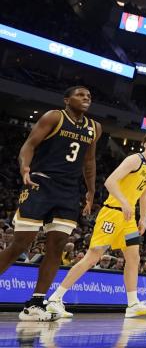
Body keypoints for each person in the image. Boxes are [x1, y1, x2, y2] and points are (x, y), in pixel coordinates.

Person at [0, 86, 101, 321]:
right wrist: (25, 166)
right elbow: (29, 145)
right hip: (41, 184)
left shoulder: (94, 127)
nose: (86, 98)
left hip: (67, 192)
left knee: (57, 248)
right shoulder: (54, 117)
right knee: (20, 244)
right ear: (67, 100)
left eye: (89, 95)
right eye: (80, 95)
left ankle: (35, 303)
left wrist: (91, 190)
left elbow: (89, 160)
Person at [45, 132, 146, 319]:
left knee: (134, 258)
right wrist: (125, 202)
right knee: (92, 258)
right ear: (145, 144)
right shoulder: (135, 160)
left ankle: (132, 303)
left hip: (129, 219)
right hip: (112, 213)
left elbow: (145, 193)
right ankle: (55, 299)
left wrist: (143, 217)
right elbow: (110, 182)